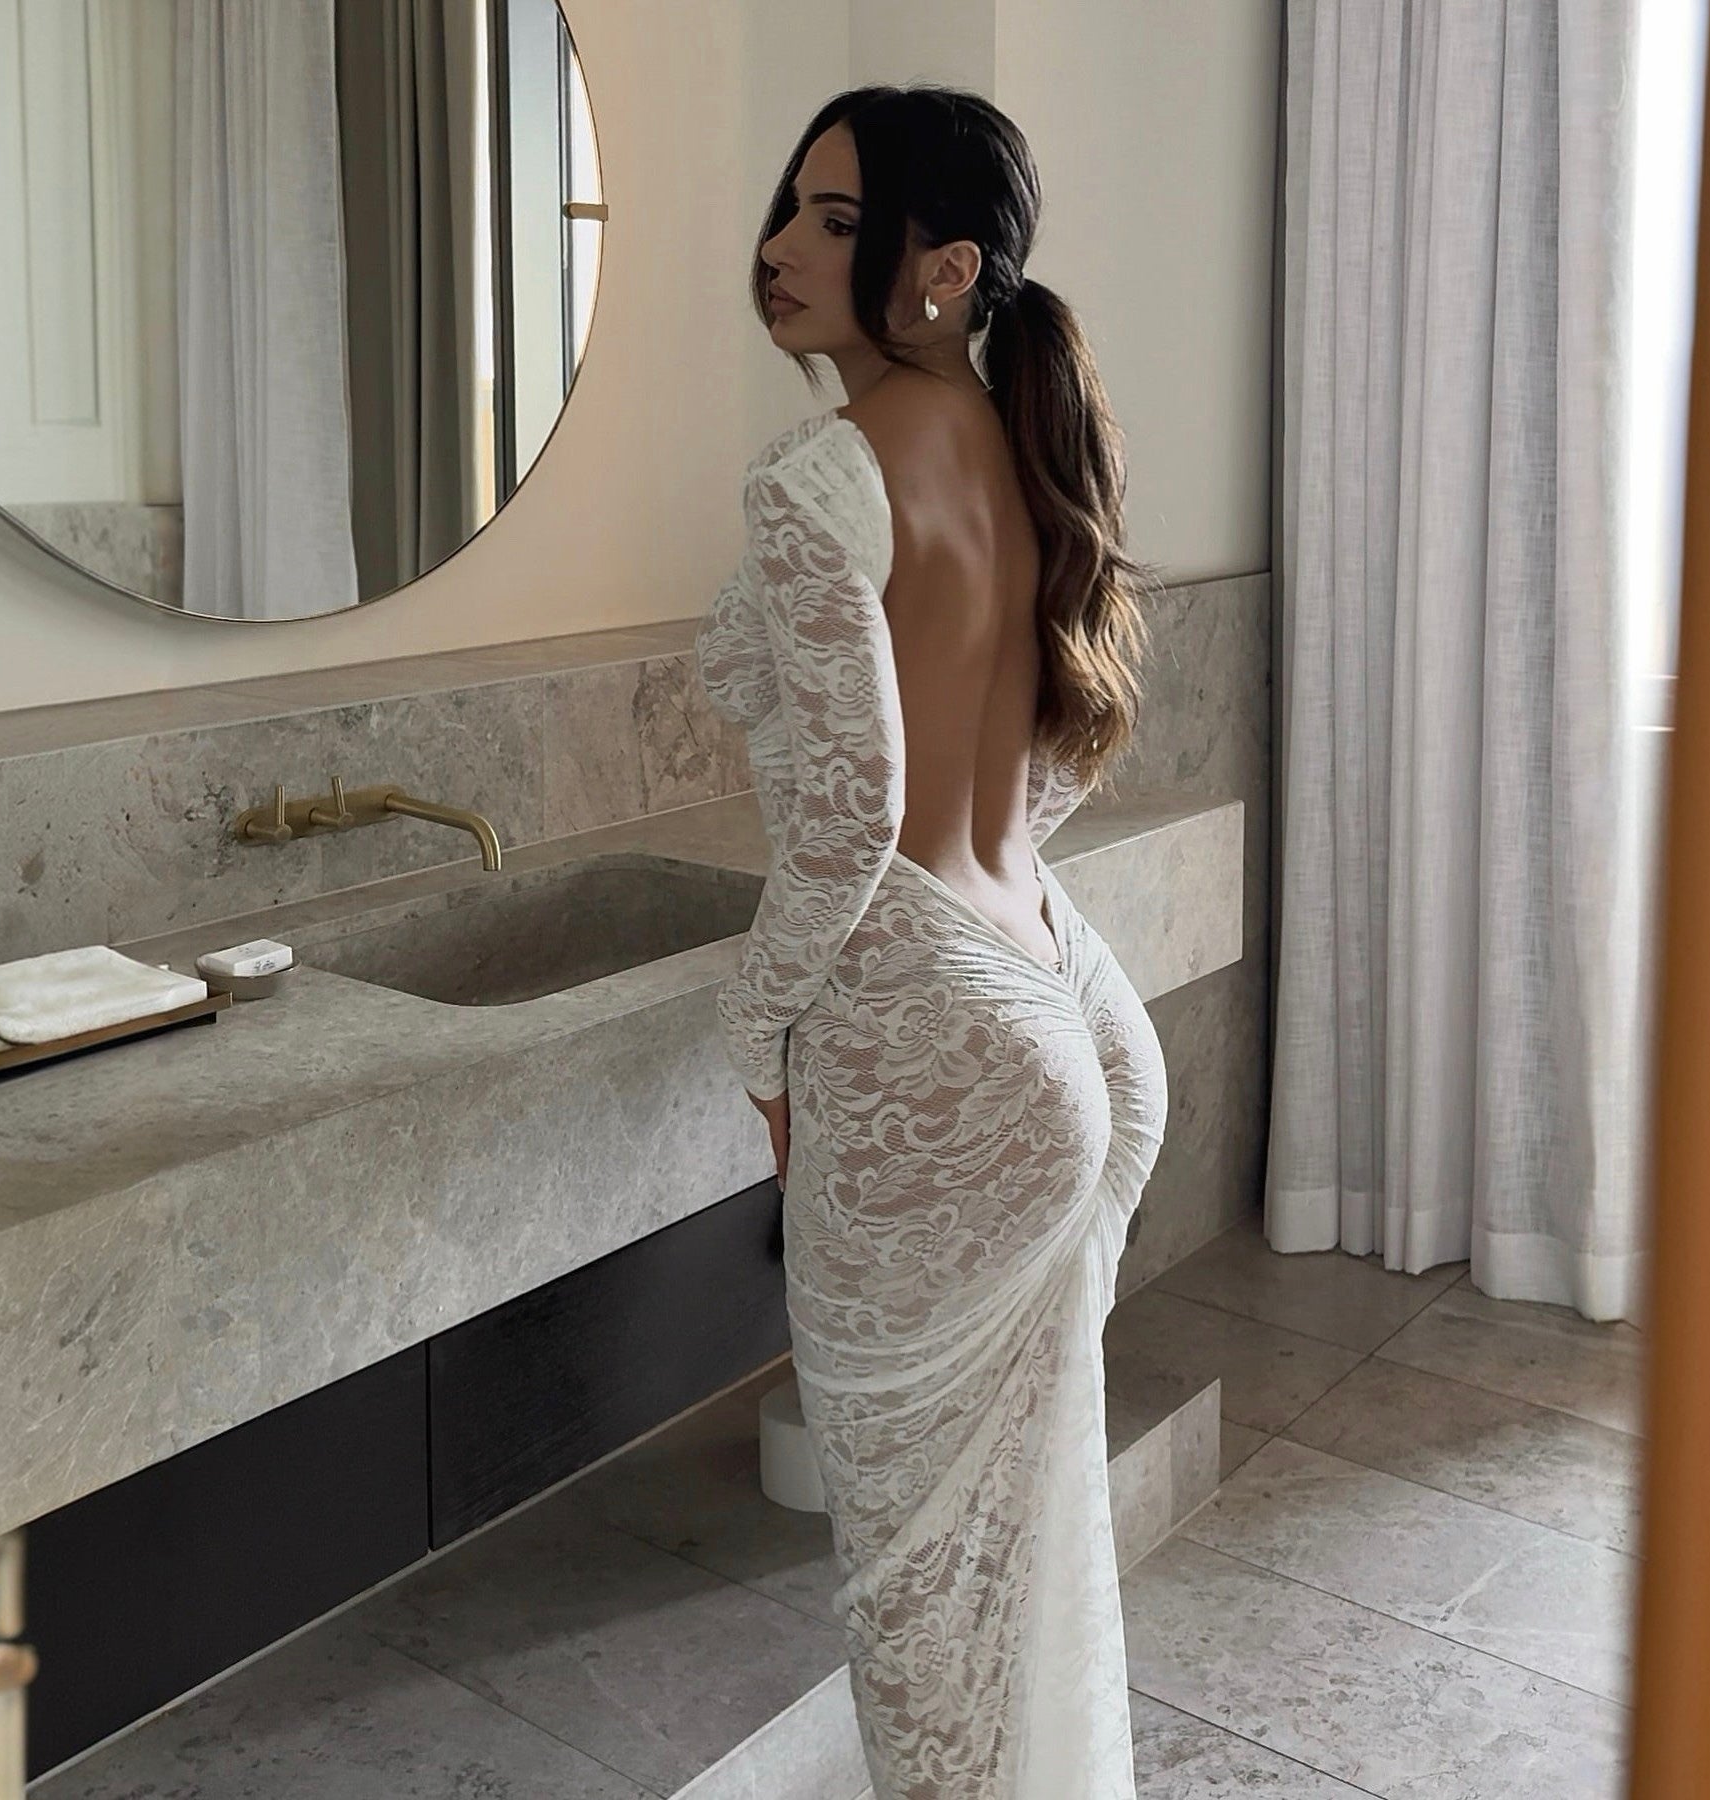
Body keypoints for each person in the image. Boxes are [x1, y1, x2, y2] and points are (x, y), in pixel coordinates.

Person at [694, 83, 1169, 1800]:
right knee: (1023, 1564)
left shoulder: (822, 476)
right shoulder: (1025, 447)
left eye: (838, 217)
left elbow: (840, 828)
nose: (781, 248)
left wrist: (757, 1052)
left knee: (920, 1614)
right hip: (1059, 997)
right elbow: (1039, 772)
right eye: (788, 205)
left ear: (943, 265)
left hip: (935, 1022)